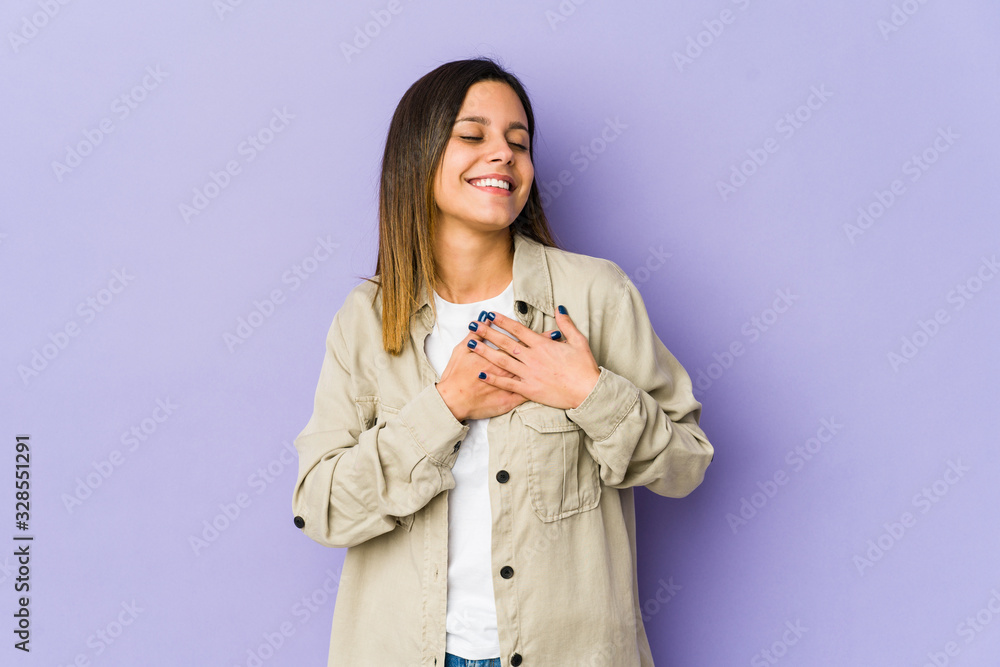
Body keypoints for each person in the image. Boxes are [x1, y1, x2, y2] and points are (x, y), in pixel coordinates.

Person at [291, 57, 714, 667]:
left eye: (519, 142)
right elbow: (321, 510)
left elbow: (686, 467)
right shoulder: (366, 319)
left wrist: (590, 393)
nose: (503, 154)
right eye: (472, 135)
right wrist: (445, 408)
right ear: (418, 155)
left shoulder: (595, 295)